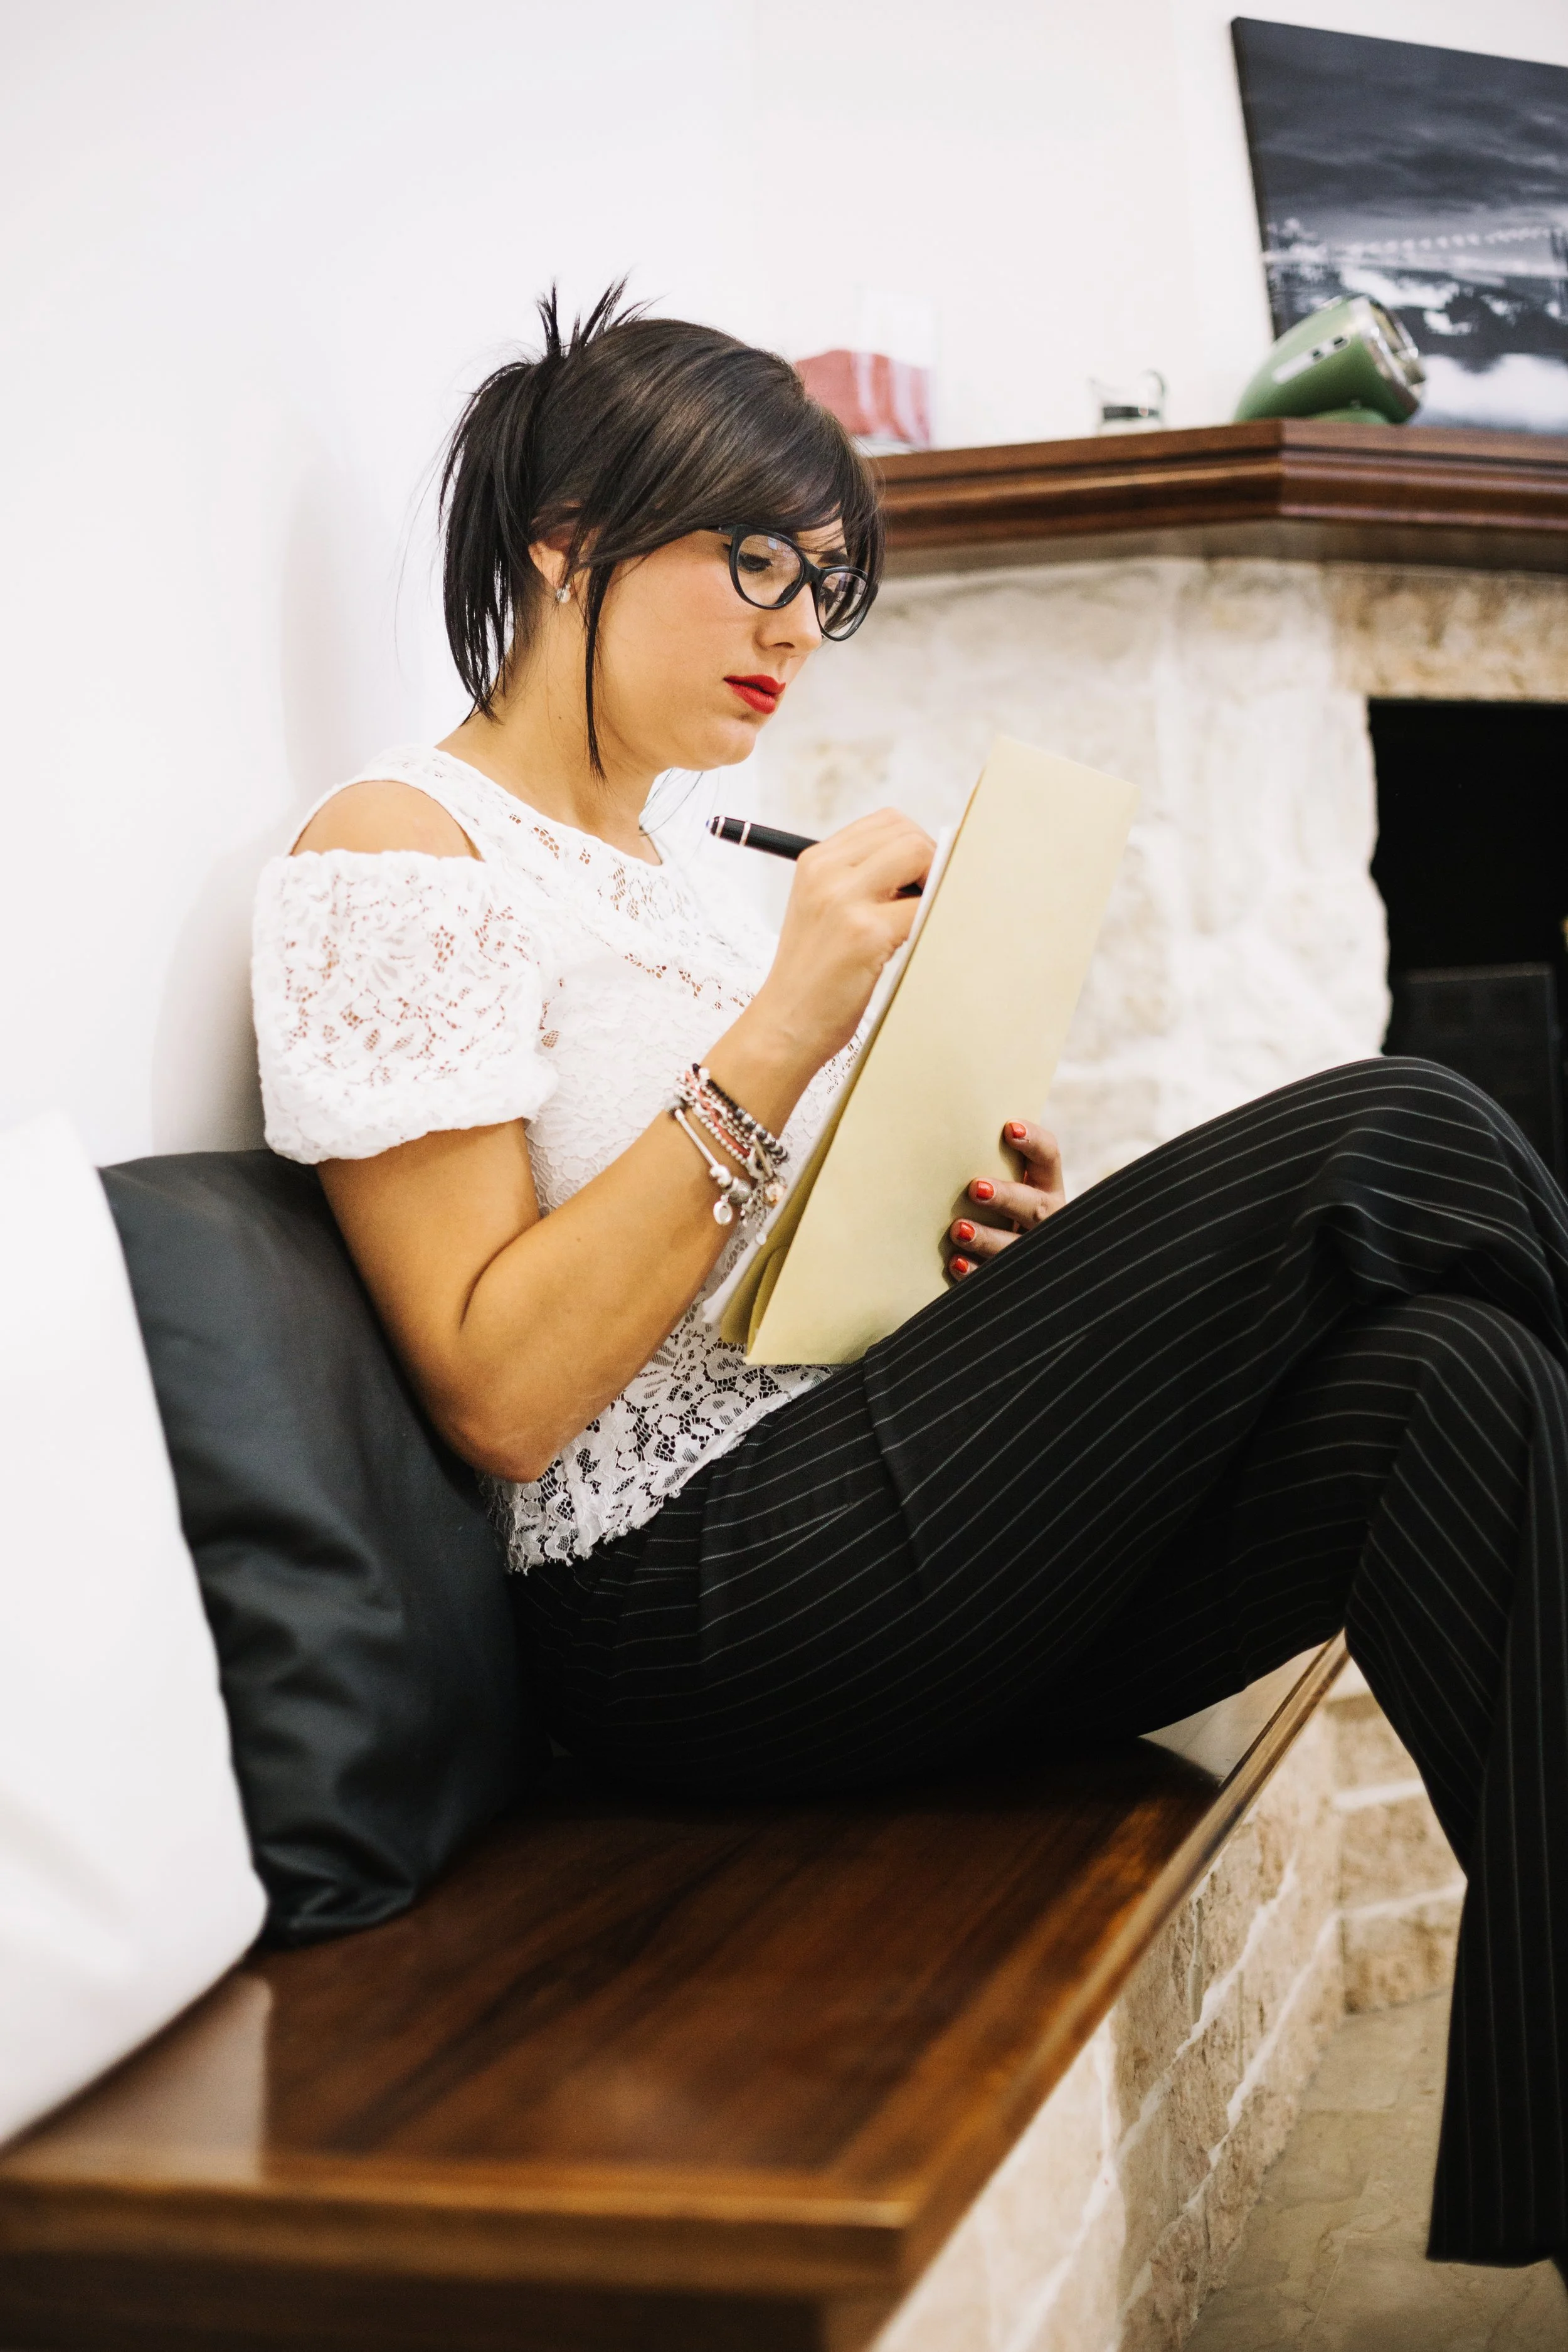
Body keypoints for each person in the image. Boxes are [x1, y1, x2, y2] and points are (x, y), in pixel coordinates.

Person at [253, 287, 1568, 2276]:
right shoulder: (400, 854)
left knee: (1459, 1386)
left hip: (844, 1533)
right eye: (753, 561)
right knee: (1399, 1128)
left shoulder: (685, 876)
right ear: (564, 545)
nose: (795, 626)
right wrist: (786, 1027)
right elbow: (499, 1393)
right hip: (679, 1611)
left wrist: (946, 1245)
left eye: (823, 583)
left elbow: (724, 1278)